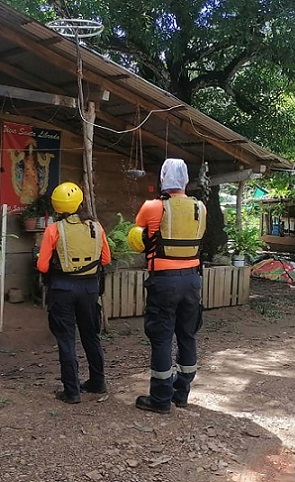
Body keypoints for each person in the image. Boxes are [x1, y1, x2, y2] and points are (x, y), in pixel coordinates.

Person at [131, 158, 207, 414]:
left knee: (162, 337)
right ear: (185, 180)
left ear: (163, 178)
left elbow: (137, 238)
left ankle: (161, 399)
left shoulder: (152, 207)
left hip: (164, 281)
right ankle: (181, 393)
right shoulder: (201, 208)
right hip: (192, 280)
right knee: (187, 335)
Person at [36, 182, 111, 404]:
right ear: (79, 202)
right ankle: (98, 382)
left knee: (66, 339)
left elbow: (42, 266)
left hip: (62, 288)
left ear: (57, 206)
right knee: (91, 335)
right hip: (89, 288)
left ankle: (72, 391)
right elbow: (106, 259)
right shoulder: (96, 227)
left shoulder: (54, 230)